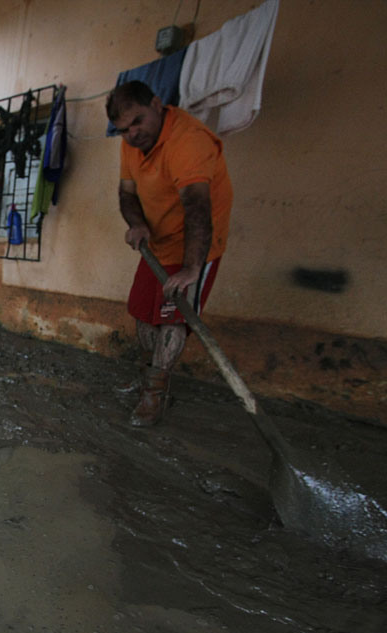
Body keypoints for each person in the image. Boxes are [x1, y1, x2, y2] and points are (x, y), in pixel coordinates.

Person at [106, 80, 233, 427]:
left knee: (172, 320)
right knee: (143, 314)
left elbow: (197, 208)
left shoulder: (188, 141)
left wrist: (193, 268)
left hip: (196, 243)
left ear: (158, 104)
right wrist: (137, 224)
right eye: (123, 130)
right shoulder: (131, 146)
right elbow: (127, 193)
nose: (132, 134)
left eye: (138, 121)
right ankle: (150, 374)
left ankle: (155, 392)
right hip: (157, 242)